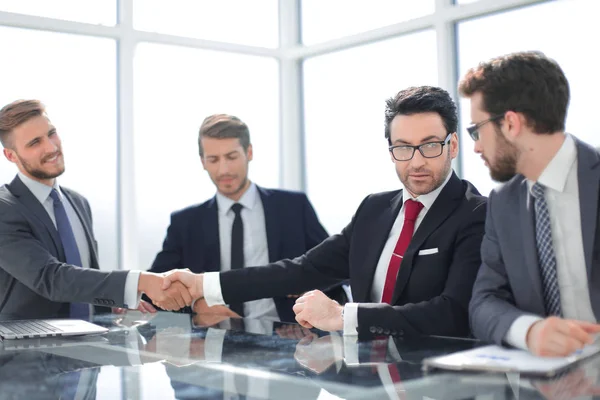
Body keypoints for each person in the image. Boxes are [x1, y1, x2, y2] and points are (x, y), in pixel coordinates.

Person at [161, 86, 487, 338]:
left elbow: (454, 313)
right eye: (403, 147)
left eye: (429, 145)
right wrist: (203, 284)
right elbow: (301, 270)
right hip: (366, 378)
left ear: (453, 145)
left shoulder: (477, 213)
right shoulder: (374, 209)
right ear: (390, 151)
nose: (416, 161)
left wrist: (343, 316)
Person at [460, 51, 600, 356]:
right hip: (542, 382)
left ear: (510, 123)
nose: (476, 146)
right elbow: (483, 303)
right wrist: (530, 331)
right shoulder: (503, 203)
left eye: (476, 130)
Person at [0, 99, 190, 320]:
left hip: (88, 346)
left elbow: (82, 279)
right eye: (34, 143)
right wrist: (139, 282)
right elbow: (51, 278)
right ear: (11, 156)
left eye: (51, 134)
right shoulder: (5, 209)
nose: (51, 147)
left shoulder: (78, 203)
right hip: (29, 352)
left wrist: (114, 302)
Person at [146, 114, 344, 322]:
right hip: (214, 340)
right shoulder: (185, 223)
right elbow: (156, 288)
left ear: (249, 152)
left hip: (286, 336)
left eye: (231, 157)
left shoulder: (293, 207)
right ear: (202, 162)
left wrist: (308, 292)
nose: (224, 170)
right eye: (213, 159)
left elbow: (333, 270)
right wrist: (197, 305)